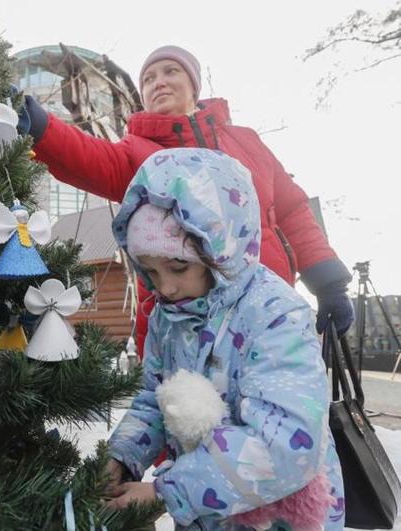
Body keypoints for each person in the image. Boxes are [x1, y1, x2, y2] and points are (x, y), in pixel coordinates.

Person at [24, 45, 354, 357]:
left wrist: (328, 283)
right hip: (180, 322)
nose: (159, 82)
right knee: (188, 411)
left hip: (265, 308)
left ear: (193, 86)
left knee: (276, 401)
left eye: (171, 71)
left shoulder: (247, 141)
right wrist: (40, 126)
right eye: (149, 79)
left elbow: (291, 210)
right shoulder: (137, 153)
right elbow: (88, 157)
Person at [103, 148, 344, 529]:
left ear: (221, 250)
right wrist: (121, 456)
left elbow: (287, 442)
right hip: (209, 514)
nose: (164, 286)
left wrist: (170, 492)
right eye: (150, 270)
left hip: (280, 517)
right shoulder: (169, 315)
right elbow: (154, 397)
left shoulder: (275, 314)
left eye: (178, 266)